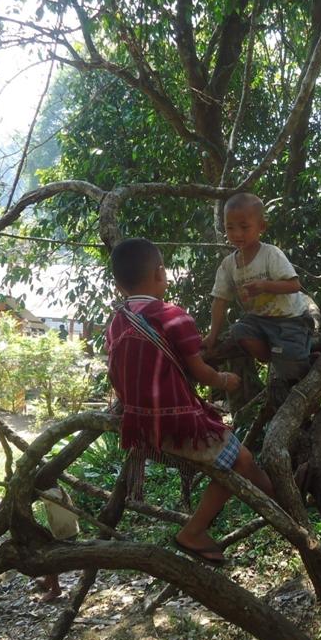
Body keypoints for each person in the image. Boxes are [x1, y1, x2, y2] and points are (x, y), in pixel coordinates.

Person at [106, 238, 274, 565]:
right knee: (240, 459)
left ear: (119, 284)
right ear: (160, 273)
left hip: (139, 424)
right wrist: (224, 380)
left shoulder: (117, 321)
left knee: (239, 458)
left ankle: (272, 498)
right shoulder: (172, 316)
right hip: (175, 423)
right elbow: (200, 371)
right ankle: (196, 530)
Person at [204, 193, 314, 383]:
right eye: (230, 227)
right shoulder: (228, 265)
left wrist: (265, 286)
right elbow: (219, 301)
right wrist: (212, 336)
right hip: (258, 320)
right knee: (239, 331)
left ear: (261, 226)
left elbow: (294, 285)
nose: (237, 234)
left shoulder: (271, 254)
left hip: (290, 318)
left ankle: (304, 357)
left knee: (292, 372)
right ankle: (276, 355)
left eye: (244, 227)